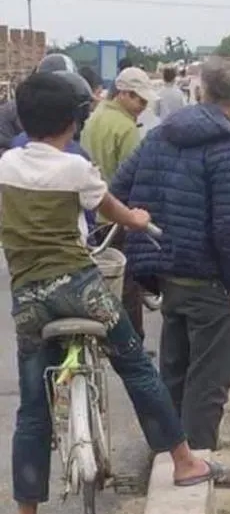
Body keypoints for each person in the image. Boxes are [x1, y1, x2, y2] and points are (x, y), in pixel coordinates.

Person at [0, 73, 230, 514]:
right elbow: (113, 210)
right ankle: (183, 460)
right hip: (80, 288)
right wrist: (136, 219)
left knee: (32, 408)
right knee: (135, 364)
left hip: (28, 297)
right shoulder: (75, 168)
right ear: (73, 121)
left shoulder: (5, 166)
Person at [112, 57, 230, 453]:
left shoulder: (160, 135)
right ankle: (198, 466)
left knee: (174, 371)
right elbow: (229, 226)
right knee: (208, 381)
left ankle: (168, 456)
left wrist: (157, 222)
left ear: (199, 91)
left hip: (167, 274)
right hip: (210, 282)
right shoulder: (227, 146)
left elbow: (117, 189)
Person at [81, 66, 155, 343]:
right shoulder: (126, 129)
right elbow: (136, 179)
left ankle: (101, 338)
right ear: (123, 94)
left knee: (99, 283)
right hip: (118, 218)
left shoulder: (94, 117)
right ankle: (132, 344)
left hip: (92, 217)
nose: (142, 107)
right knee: (128, 286)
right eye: (139, 100)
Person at [11, 70, 97, 234]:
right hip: (67, 251)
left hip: (18, 248)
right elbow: (92, 211)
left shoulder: (15, 148)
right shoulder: (75, 157)